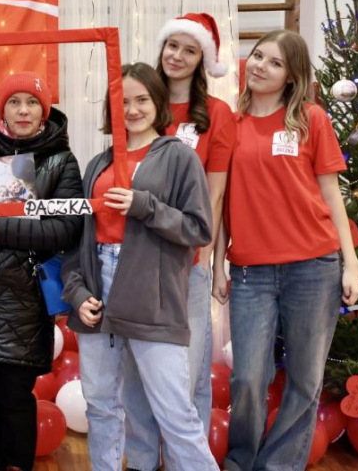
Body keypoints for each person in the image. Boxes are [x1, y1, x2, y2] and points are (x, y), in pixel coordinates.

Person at [215, 30, 358, 471]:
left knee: (304, 380)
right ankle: (241, 460)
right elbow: (217, 199)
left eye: (274, 62)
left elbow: (331, 197)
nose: (259, 65)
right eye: (257, 55)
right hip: (250, 273)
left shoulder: (311, 120)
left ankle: (277, 466)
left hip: (314, 268)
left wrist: (349, 264)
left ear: (292, 76)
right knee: (248, 378)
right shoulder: (229, 124)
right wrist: (217, 260)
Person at [62, 62, 218, 471]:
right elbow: (81, 239)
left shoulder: (178, 157)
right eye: (122, 101)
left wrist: (145, 206)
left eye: (141, 100)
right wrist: (77, 293)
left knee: (175, 413)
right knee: (101, 406)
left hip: (152, 295)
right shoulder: (96, 163)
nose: (131, 109)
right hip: (98, 293)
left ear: (159, 102)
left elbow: (199, 229)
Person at [0, 72, 83, 471]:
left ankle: (17, 465)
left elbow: (65, 228)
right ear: (2, 110)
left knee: (14, 396)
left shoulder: (61, 161)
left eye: (31, 102)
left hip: (25, 298)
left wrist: (1, 228)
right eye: (14, 102)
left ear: (43, 110)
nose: (23, 110)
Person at [123, 13, 236, 468]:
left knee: (183, 376)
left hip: (184, 260)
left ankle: (183, 460)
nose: (178, 56)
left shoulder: (218, 116)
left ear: (203, 60)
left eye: (190, 50)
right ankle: (144, 459)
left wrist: (205, 255)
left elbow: (215, 191)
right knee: (135, 371)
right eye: (173, 46)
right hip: (132, 262)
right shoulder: (137, 106)